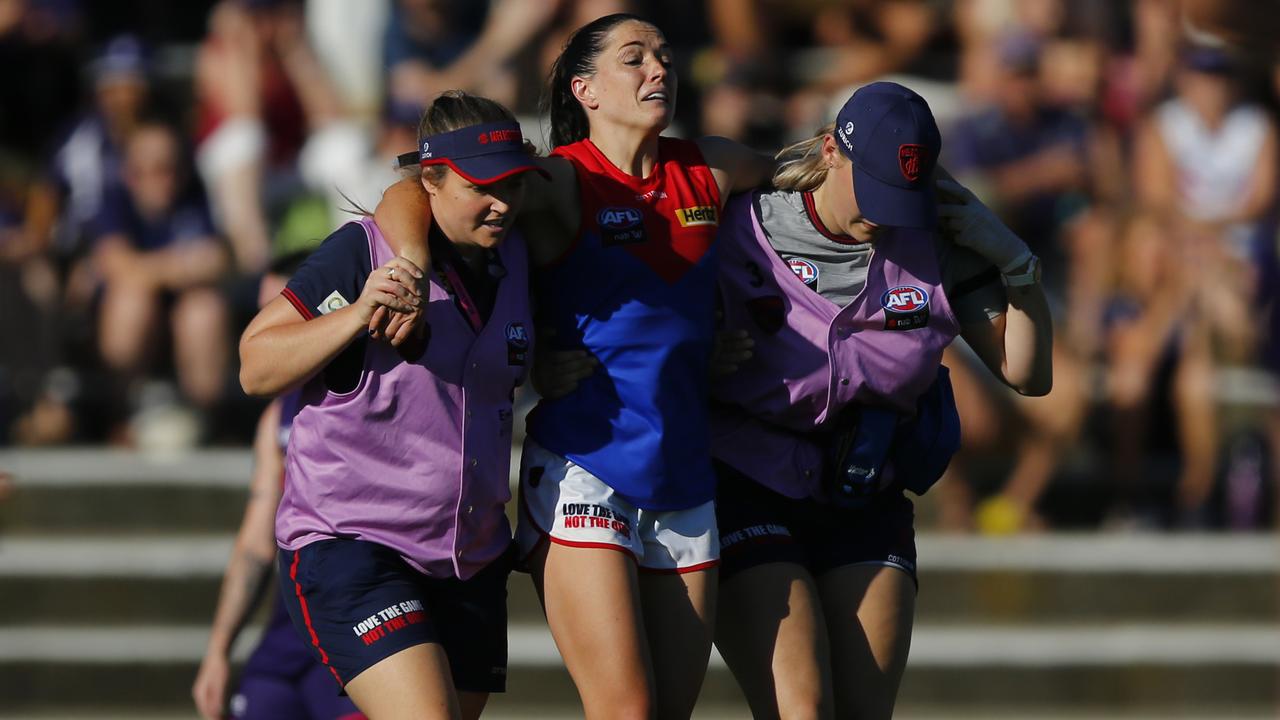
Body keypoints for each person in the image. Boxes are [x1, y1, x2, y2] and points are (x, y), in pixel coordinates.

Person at [373, 14, 775, 718]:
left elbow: (814, 182)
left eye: (664, 56)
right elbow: (415, 190)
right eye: (634, 59)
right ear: (584, 88)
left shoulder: (709, 167)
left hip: (684, 471)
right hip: (585, 465)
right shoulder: (560, 180)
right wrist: (410, 260)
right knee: (625, 710)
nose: (659, 70)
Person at [707, 82, 1053, 719]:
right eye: (875, 192)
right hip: (747, 480)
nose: (884, 215)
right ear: (833, 153)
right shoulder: (742, 225)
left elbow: (1027, 373)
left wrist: (1017, 262)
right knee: (801, 708)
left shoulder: (934, 241)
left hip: (863, 489)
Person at [239, 91, 543, 720]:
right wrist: (355, 316)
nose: (503, 202)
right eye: (483, 186)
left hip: (471, 556)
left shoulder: (517, 252)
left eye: (513, 184)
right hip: (354, 544)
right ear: (430, 180)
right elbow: (255, 365)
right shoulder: (363, 252)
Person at [194, 253, 365, 720]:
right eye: (260, 315)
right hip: (287, 639)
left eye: (280, 312)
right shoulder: (277, 416)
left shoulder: (377, 392)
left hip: (364, 626)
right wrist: (218, 649)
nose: (263, 336)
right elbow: (255, 544)